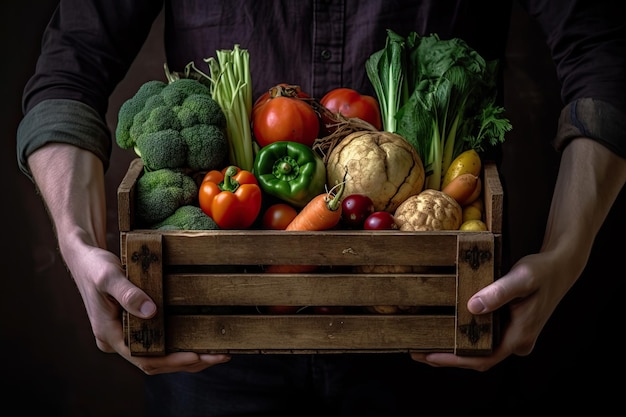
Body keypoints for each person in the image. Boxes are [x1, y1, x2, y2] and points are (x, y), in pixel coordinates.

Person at [17, 0, 625, 415]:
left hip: (435, 330)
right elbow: (69, 67)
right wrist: (75, 238)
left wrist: (567, 252)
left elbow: (602, 53)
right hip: (215, 339)